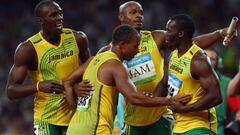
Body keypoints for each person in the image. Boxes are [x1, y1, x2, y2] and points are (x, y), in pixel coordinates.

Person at [98, 1, 230, 135]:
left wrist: (219, 33)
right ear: (121, 17)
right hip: (132, 118)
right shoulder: (109, 51)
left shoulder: (155, 38)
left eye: (141, 13)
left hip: (160, 115)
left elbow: (189, 43)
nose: (139, 16)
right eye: (133, 13)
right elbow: (95, 76)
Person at [64, 24, 192, 135]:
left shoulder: (93, 60)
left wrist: (74, 108)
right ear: (122, 45)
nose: (137, 51)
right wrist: (169, 100)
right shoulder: (115, 65)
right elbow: (134, 98)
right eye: (135, 47)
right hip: (96, 129)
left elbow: (68, 81)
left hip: (75, 127)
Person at [5, 0, 91, 135]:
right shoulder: (28, 49)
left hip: (76, 113)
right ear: (41, 21)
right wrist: (38, 86)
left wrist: (77, 86)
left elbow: (91, 68)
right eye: (53, 15)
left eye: (60, 13)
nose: (60, 18)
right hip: (46, 119)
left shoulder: (77, 38)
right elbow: (11, 91)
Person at [166, 14, 222, 135]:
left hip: (199, 127)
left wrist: (184, 109)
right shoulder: (173, 55)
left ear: (180, 34)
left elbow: (216, 96)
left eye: (169, 30)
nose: (166, 34)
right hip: (178, 126)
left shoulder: (198, 60)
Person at [205, 48, 231, 135]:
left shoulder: (226, 82)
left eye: (212, 59)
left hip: (217, 130)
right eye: (205, 57)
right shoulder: (187, 78)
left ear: (217, 63)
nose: (208, 61)